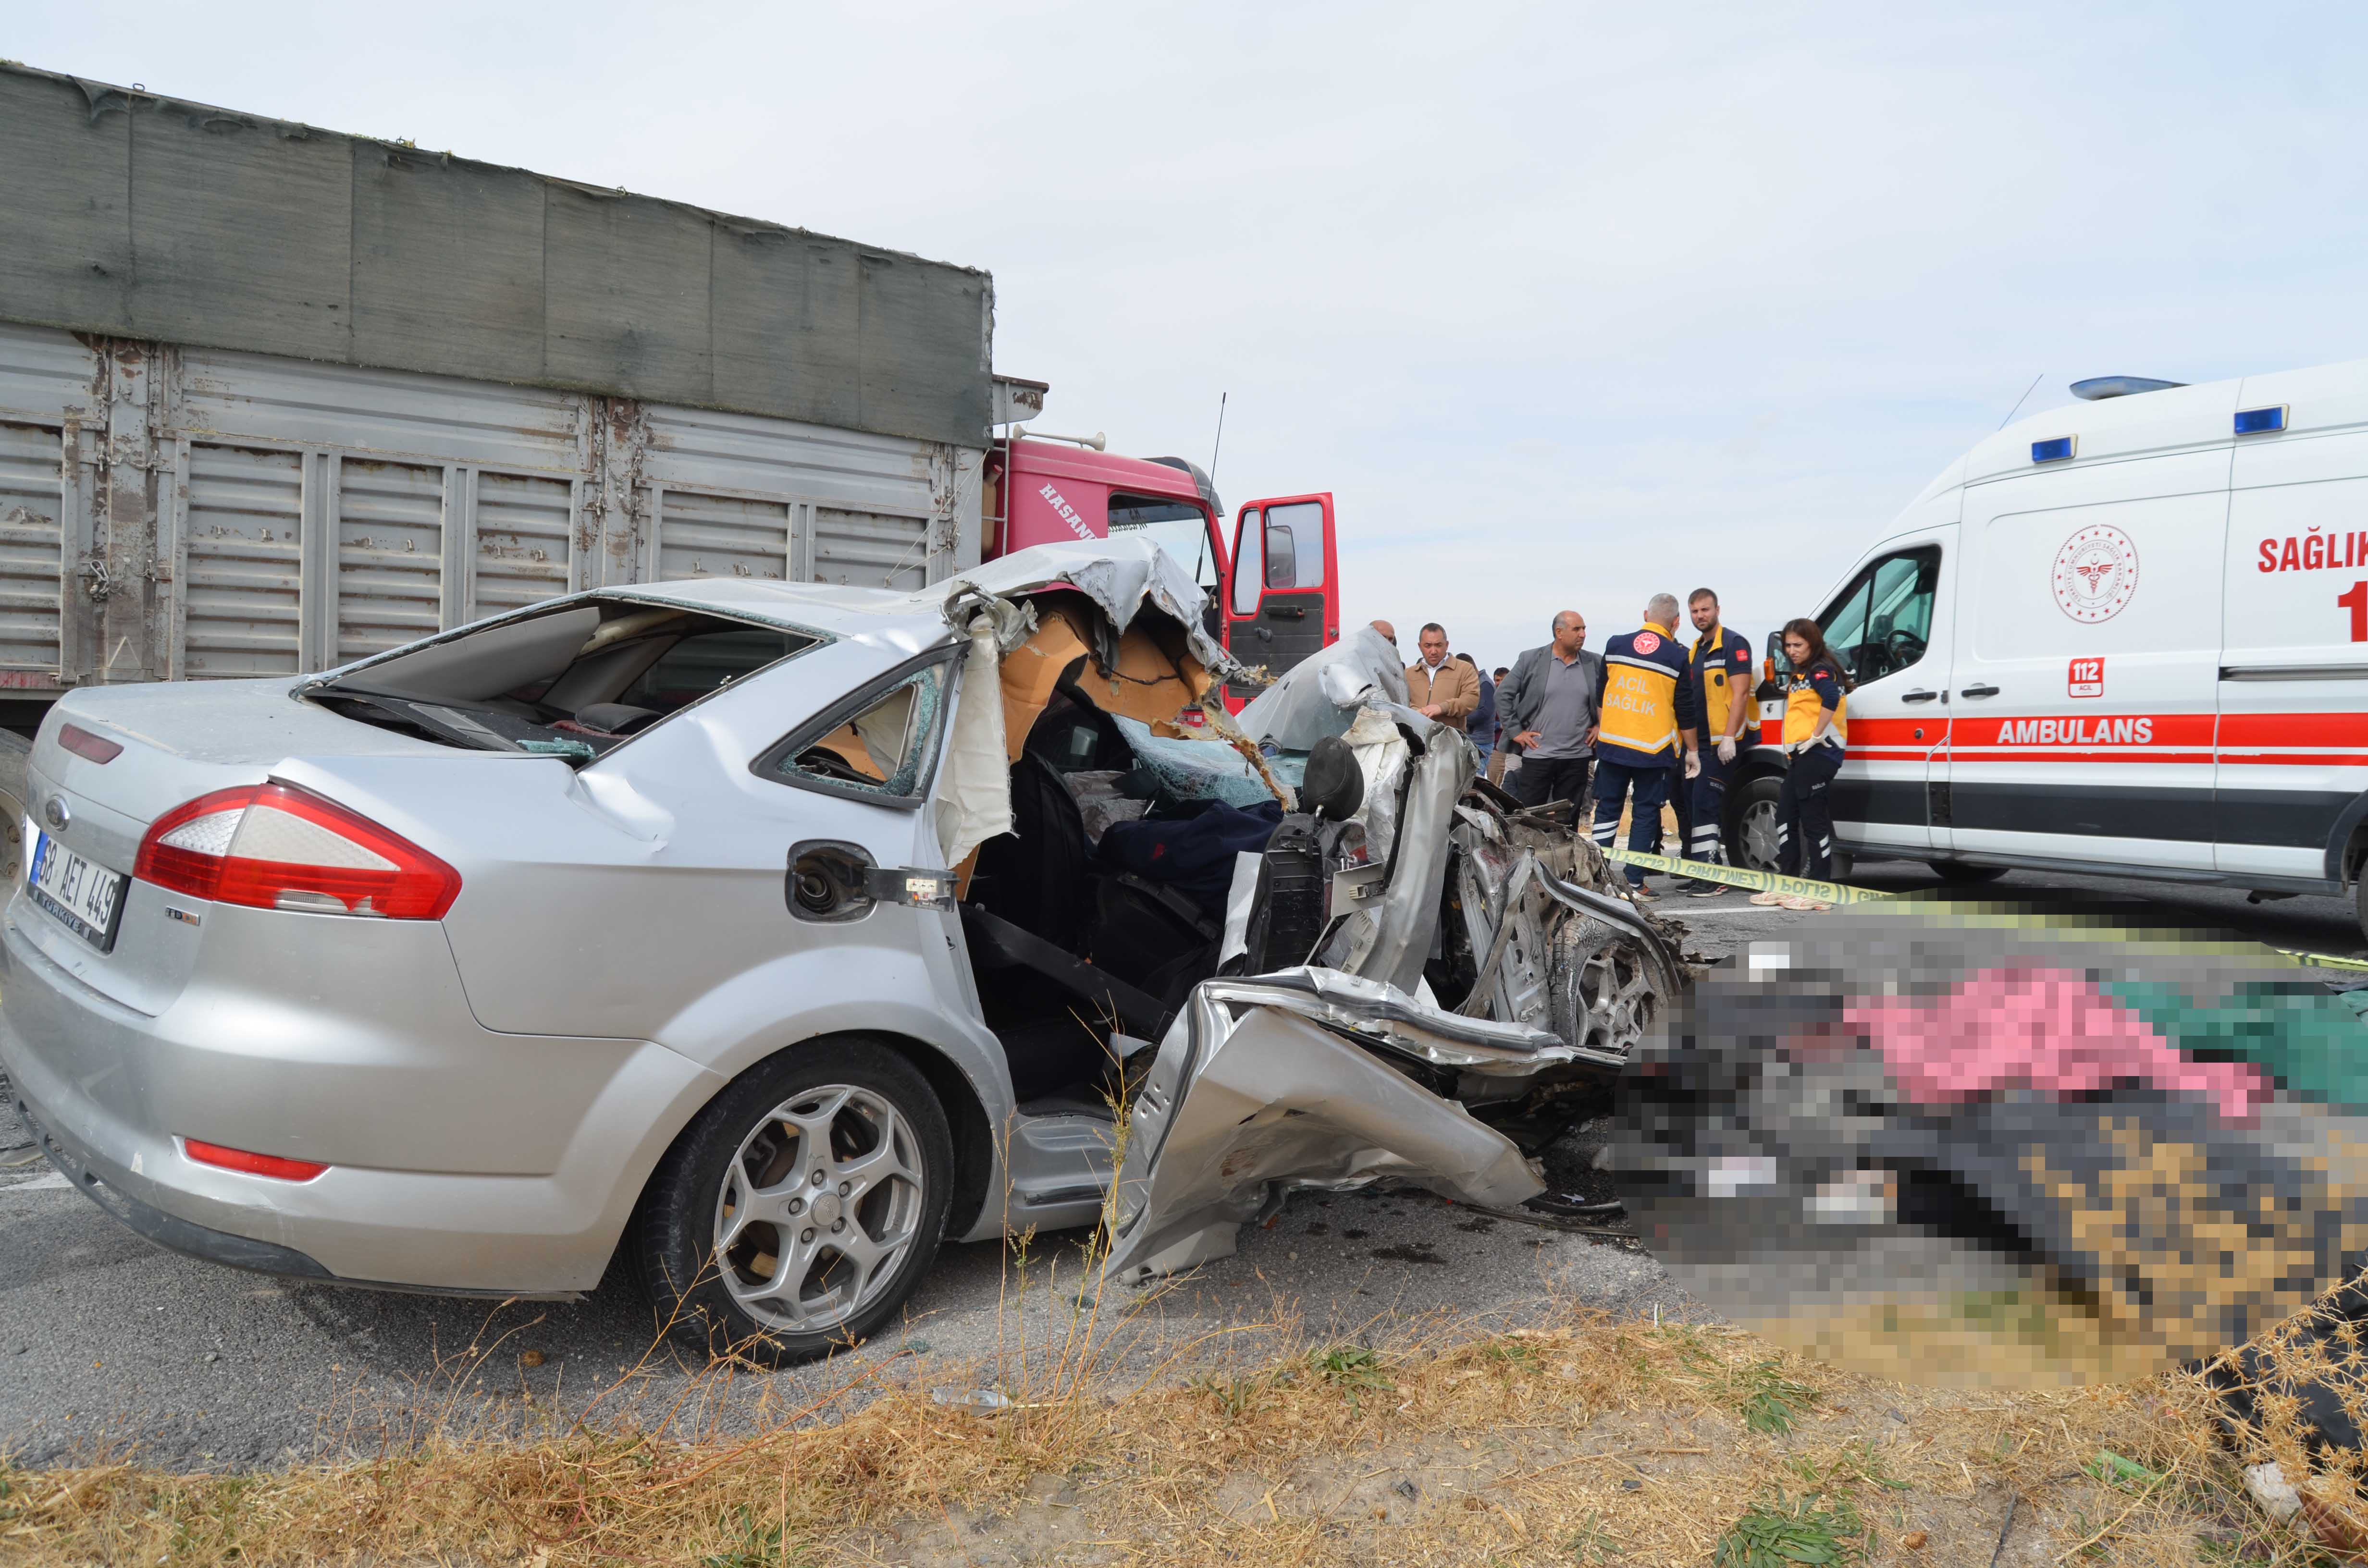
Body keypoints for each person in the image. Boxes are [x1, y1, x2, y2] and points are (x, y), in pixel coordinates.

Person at [1591, 594, 1698, 899]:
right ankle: (1634, 883)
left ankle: (1598, 878)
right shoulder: (1678, 657)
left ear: (1645, 615)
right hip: (1653, 749)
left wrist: (1610, 730)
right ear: (1676, 623)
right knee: (1645, 813)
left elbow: (1602, 694)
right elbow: (1685, 709)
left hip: (1613, 745)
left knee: (1608, 809)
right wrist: (1692, 752)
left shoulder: (1615, 645)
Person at [1677, 588, 1760, 895]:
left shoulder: (1734, 644)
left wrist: (1729, 737)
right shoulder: (1695, 650)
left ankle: (1713, 875)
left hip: (1723, 743)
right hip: (1698, 744)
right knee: (1694, 804)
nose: (1701, 616)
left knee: (1706, 803)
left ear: (1717, 610)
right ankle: (1702, 870)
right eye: (1695, 612)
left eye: (1705, 610)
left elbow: (1739, 693)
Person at [1496, 611, 1600, 811]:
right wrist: (1516, 732)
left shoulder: (1594, 662)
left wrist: (1600, 725)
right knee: (1530, 818)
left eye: (1584, 629)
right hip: (1538, 755)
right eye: (1577, 629)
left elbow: (1612, 698)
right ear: (1559, 632)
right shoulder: (1531, 659)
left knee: (1568, 822)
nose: (1583, 634)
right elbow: (1503, 695)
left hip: (1577, 757)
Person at [1775, 616, 1850, 881]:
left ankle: (1820, 885)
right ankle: (1788, 881)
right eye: (1788, 645)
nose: (1792, 651)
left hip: (1819, 754)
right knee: (1784, 816)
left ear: (1812, 644)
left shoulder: (1820, 669)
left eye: (1798, 645)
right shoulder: (1801, 673)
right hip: (1801, 756)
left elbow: (1830, 696)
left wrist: (1817, 735)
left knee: (1813, 822)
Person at [1406, 623, 1480, 725]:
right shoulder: (1409, 673)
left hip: (1451, 737)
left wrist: (1442, 708)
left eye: (1438, 645)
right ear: (1420, 646)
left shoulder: (1465, 669)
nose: (1433, 651)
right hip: (1415, 737)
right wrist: (1416, 711)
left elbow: (1471, 700)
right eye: (1428, 646)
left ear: (1447, 645)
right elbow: (1401, 700)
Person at [1457, 651, 1496, 771]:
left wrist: (1459, 717)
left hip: (1480, 744)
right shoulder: (1474, 684)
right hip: (1471, 741)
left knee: (1474, 783)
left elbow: (1483, 713)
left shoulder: (1485, 684)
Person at [1488, 665, 1516, 784]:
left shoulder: (1517, 699)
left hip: (1513, 749)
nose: (1499, 683)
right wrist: (1500, 725)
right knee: (1493, 785)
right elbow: (1486, 722)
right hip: (1496, 749)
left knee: (1509, 785)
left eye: (1503, 680)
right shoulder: (1491, 700)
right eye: (1497, 680)